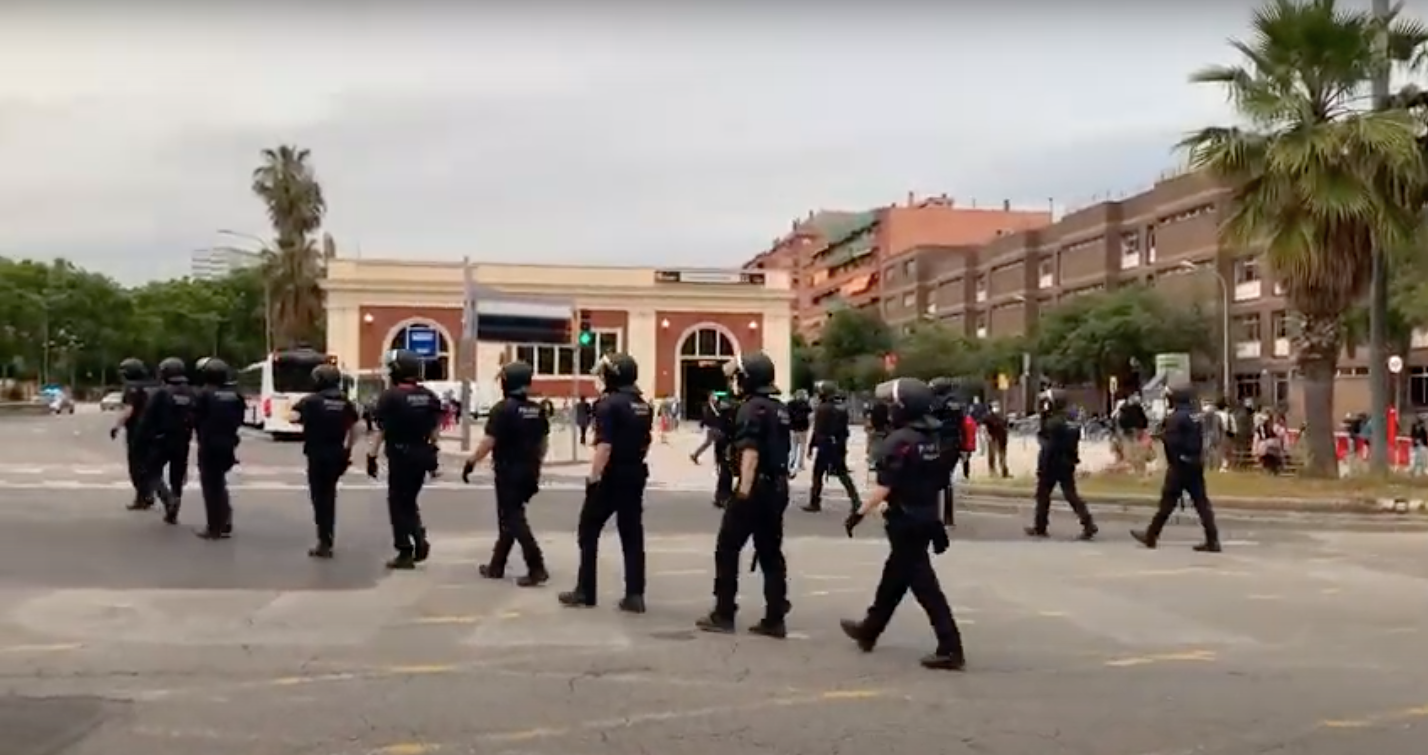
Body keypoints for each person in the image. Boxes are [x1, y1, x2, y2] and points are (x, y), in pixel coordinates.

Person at [841, 377, 965, 671]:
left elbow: (886, 486)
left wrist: (859, 512)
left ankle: (951, 646)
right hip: (923, 515)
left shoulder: (898, 441)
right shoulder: (932, 439)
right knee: (894, 577)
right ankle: (870, 629)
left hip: (905, 520)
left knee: (925, 587)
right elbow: (934, 480)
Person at [697, 351, 792, 638]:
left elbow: (750, 452)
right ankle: (775, 616)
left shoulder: (750, 408)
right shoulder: (779, 408)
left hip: (756, 486)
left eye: (738, 376)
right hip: (778, 486)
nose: (735, 381)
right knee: (770, 553)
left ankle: (724, 612)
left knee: (727, 548)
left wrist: (743, 491)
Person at [559, 353, 653, 612]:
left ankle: (585, 590)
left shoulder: (607, 405)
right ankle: (635, 594)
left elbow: (605, 446)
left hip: (611, 474)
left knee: (588, 530)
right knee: (632, 534)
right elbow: (646, 441)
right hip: (635, 472)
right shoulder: (643, 405)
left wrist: (594, 477)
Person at [463, 360, 550, 587]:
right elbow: (543, 443)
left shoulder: (502, 409)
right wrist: (536, 465)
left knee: (513, 518)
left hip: (508, 471)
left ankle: (536, 566)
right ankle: (496, 565)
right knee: (509, 518)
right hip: (530, 470)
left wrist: (471, 461)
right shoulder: (537, 409)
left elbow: (489, 441)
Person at [367, 350, 443, 570]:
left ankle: (406, 549)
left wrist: (371, 456)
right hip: (422, 454)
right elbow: (435, 429)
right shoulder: (429, 396)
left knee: (397, 503)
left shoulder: (390, 397)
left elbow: (381, 430)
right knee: (409, 500)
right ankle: (418, 538)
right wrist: (433, 452)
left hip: (400, 455)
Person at [1133, 385, 1221, 552]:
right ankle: (1213, 539)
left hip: (1180, 465)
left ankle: (1151, 536)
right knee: (1201, 503)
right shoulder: (1195, 416)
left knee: (1167, 502)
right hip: (1195, 462)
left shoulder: (1175, 418)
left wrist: (1170, 456)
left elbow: (1171, 443)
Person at [291, 362, 359, 558]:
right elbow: (356, 427)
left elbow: (293, 417)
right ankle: (327, 538)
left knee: (319, 498)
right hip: (338, 453)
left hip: (317, 454)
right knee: (330, 495)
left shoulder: (311, 401)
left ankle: (324, 540)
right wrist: (348, 448)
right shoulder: (345, 402)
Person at [1025, 389, 1098, 541]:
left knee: (1043, 494)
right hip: (1067, 461)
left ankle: (1041, 526)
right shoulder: (1070, 420)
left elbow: (1047, 443)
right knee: (1071, 494)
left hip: (1052, 463)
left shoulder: (1053, 422)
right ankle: (1088, 523)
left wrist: (1042, 465)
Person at [135, 357, 197, 525]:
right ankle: (174, 509)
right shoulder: (191, 393)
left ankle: (168, 499)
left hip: (161, 439)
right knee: (177, 476)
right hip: (183, 440)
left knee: (152, 472)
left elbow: (147, 419)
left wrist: (140, 439)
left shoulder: (161, 393)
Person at [191, 357, 245, 540]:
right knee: (220, 483)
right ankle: (225, 520)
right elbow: (239, 418)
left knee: (210, 486)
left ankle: (214, 526)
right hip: (228, 443)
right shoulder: (235, 395)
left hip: (209, 443)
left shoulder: (203, 394)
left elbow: (194, 418)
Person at [803, 380, 861, 513]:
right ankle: (856, 501)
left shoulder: (823, 408)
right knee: (843, 475)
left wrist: (811, 446)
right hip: (838, 445)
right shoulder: (841, 407)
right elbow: (844, 430)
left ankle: (815, 502)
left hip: (825, 445)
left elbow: (818, 430)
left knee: (817, 474)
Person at [111, 358, 156, 511]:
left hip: (137, 431)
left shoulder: (131, 388)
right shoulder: (152, 386)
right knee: (148, 464)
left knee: (136, 466)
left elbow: (128, 410)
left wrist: (117, 426)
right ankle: (148, 494)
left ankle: (143, 497)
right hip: (152, 429)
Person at [929, 378, 965, 525]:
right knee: (947, 480)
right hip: (954, 443)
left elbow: (931, 421)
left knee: (933, 481)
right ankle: (948, 516)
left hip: (940, 443)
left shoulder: (937, 402)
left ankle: (934, 516)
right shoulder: (957, 403)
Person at [786, 389, 812, 477]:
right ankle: (799, 464)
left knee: (793, 447)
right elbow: (810, 416)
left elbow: (787, 415)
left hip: (792, 428)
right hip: (803, 428)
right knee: (802, 447)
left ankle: (790, 462)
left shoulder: (790, 404)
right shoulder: (805, 404)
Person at [982, 402, 1010, 478]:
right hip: (993, 439)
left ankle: (1004, 472)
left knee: (1002, 456)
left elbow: (1006, 427)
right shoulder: (988, 417)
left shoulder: (1002, 417)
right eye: (995, 406)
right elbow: (984, 428)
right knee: (992, 456)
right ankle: (992, 472)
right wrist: (987, 436)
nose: (997, 408)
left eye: (997, 406)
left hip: (1002, 439)